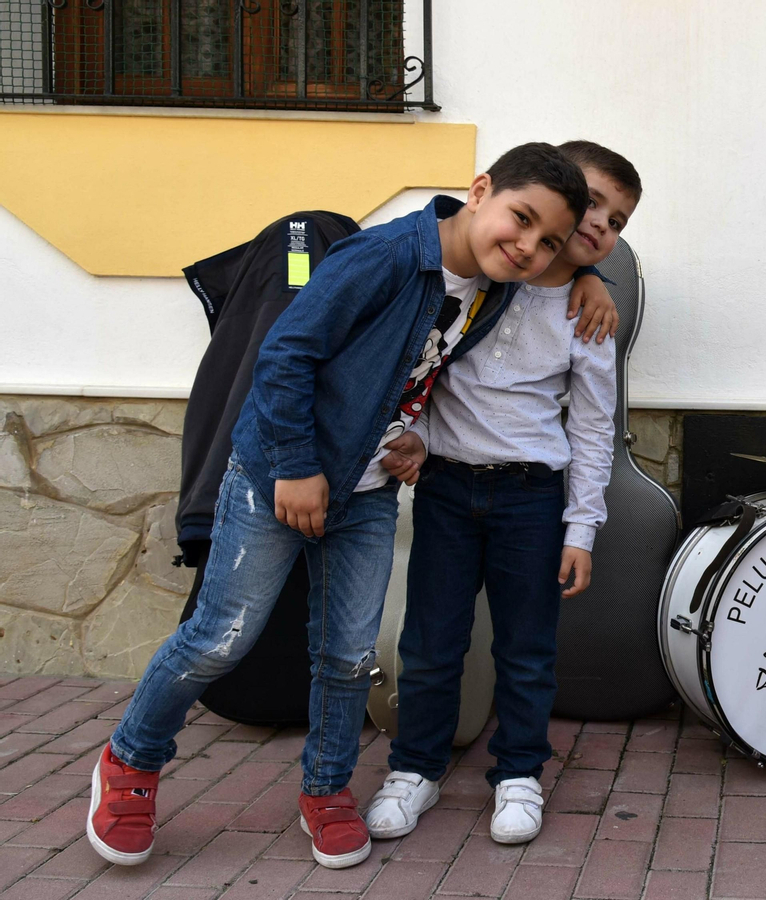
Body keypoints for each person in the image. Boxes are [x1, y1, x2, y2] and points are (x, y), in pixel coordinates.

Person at [88, 143, 601, 870]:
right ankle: (131, 760)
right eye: (520, 220)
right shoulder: (384, 256)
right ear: (479, 190)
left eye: (549, 241)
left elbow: (412, 366)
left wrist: (591, 277)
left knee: (348, 655)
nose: (528, 247)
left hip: (367, 492)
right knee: (220, 638)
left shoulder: (498, 284)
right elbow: (286, 353)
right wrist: (295, 469)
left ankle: (326, 789)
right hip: (279, 477)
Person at [364, 141, 641, 846]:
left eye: (618, 222)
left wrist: (582, 529)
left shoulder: (589, 313)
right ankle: (415, 769)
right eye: (594, 206)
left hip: (532, 499)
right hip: (448, 489)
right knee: (430, 643)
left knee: (526, 649)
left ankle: (518, 773)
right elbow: (426, 366)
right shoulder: (486, 274)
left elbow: (594, 426)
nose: (601, 226)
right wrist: (417, 438)